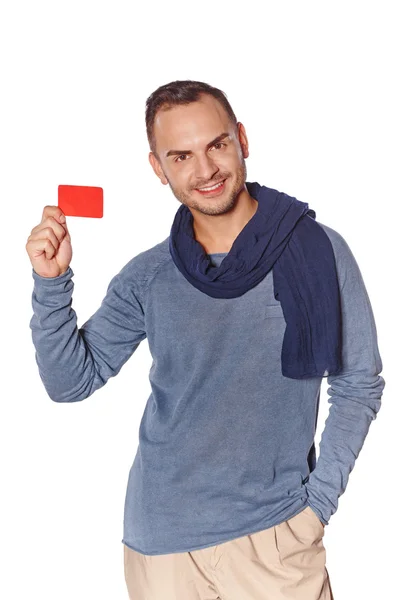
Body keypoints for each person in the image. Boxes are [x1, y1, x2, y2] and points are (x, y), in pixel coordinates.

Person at [26, 80, 385, 600]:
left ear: (241, 138)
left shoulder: (319, 251)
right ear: (158, 168)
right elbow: (70, 383)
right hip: (162, 544)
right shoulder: (149, 275)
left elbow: (357, 384)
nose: (206, 170)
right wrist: (51, 283)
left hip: (278, 540)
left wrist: (316, 507)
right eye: (181, 155)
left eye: (216, 144)